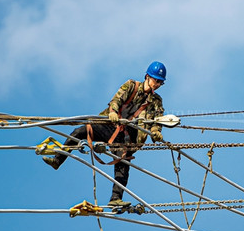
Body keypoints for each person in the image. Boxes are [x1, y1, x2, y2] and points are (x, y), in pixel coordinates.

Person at [43, 61, 167, 208]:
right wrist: (113, 112)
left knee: (123, 161)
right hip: (109, 125)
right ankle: (58, 160)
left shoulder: (156, 101)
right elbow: (116, 100)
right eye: (156, 80)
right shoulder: (131, 85)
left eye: (160, 82)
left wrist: (155, 131)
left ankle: (116, 199)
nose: (157, 84)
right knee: (82, 131)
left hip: (127, 135)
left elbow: (157, 119)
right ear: (147, 76)